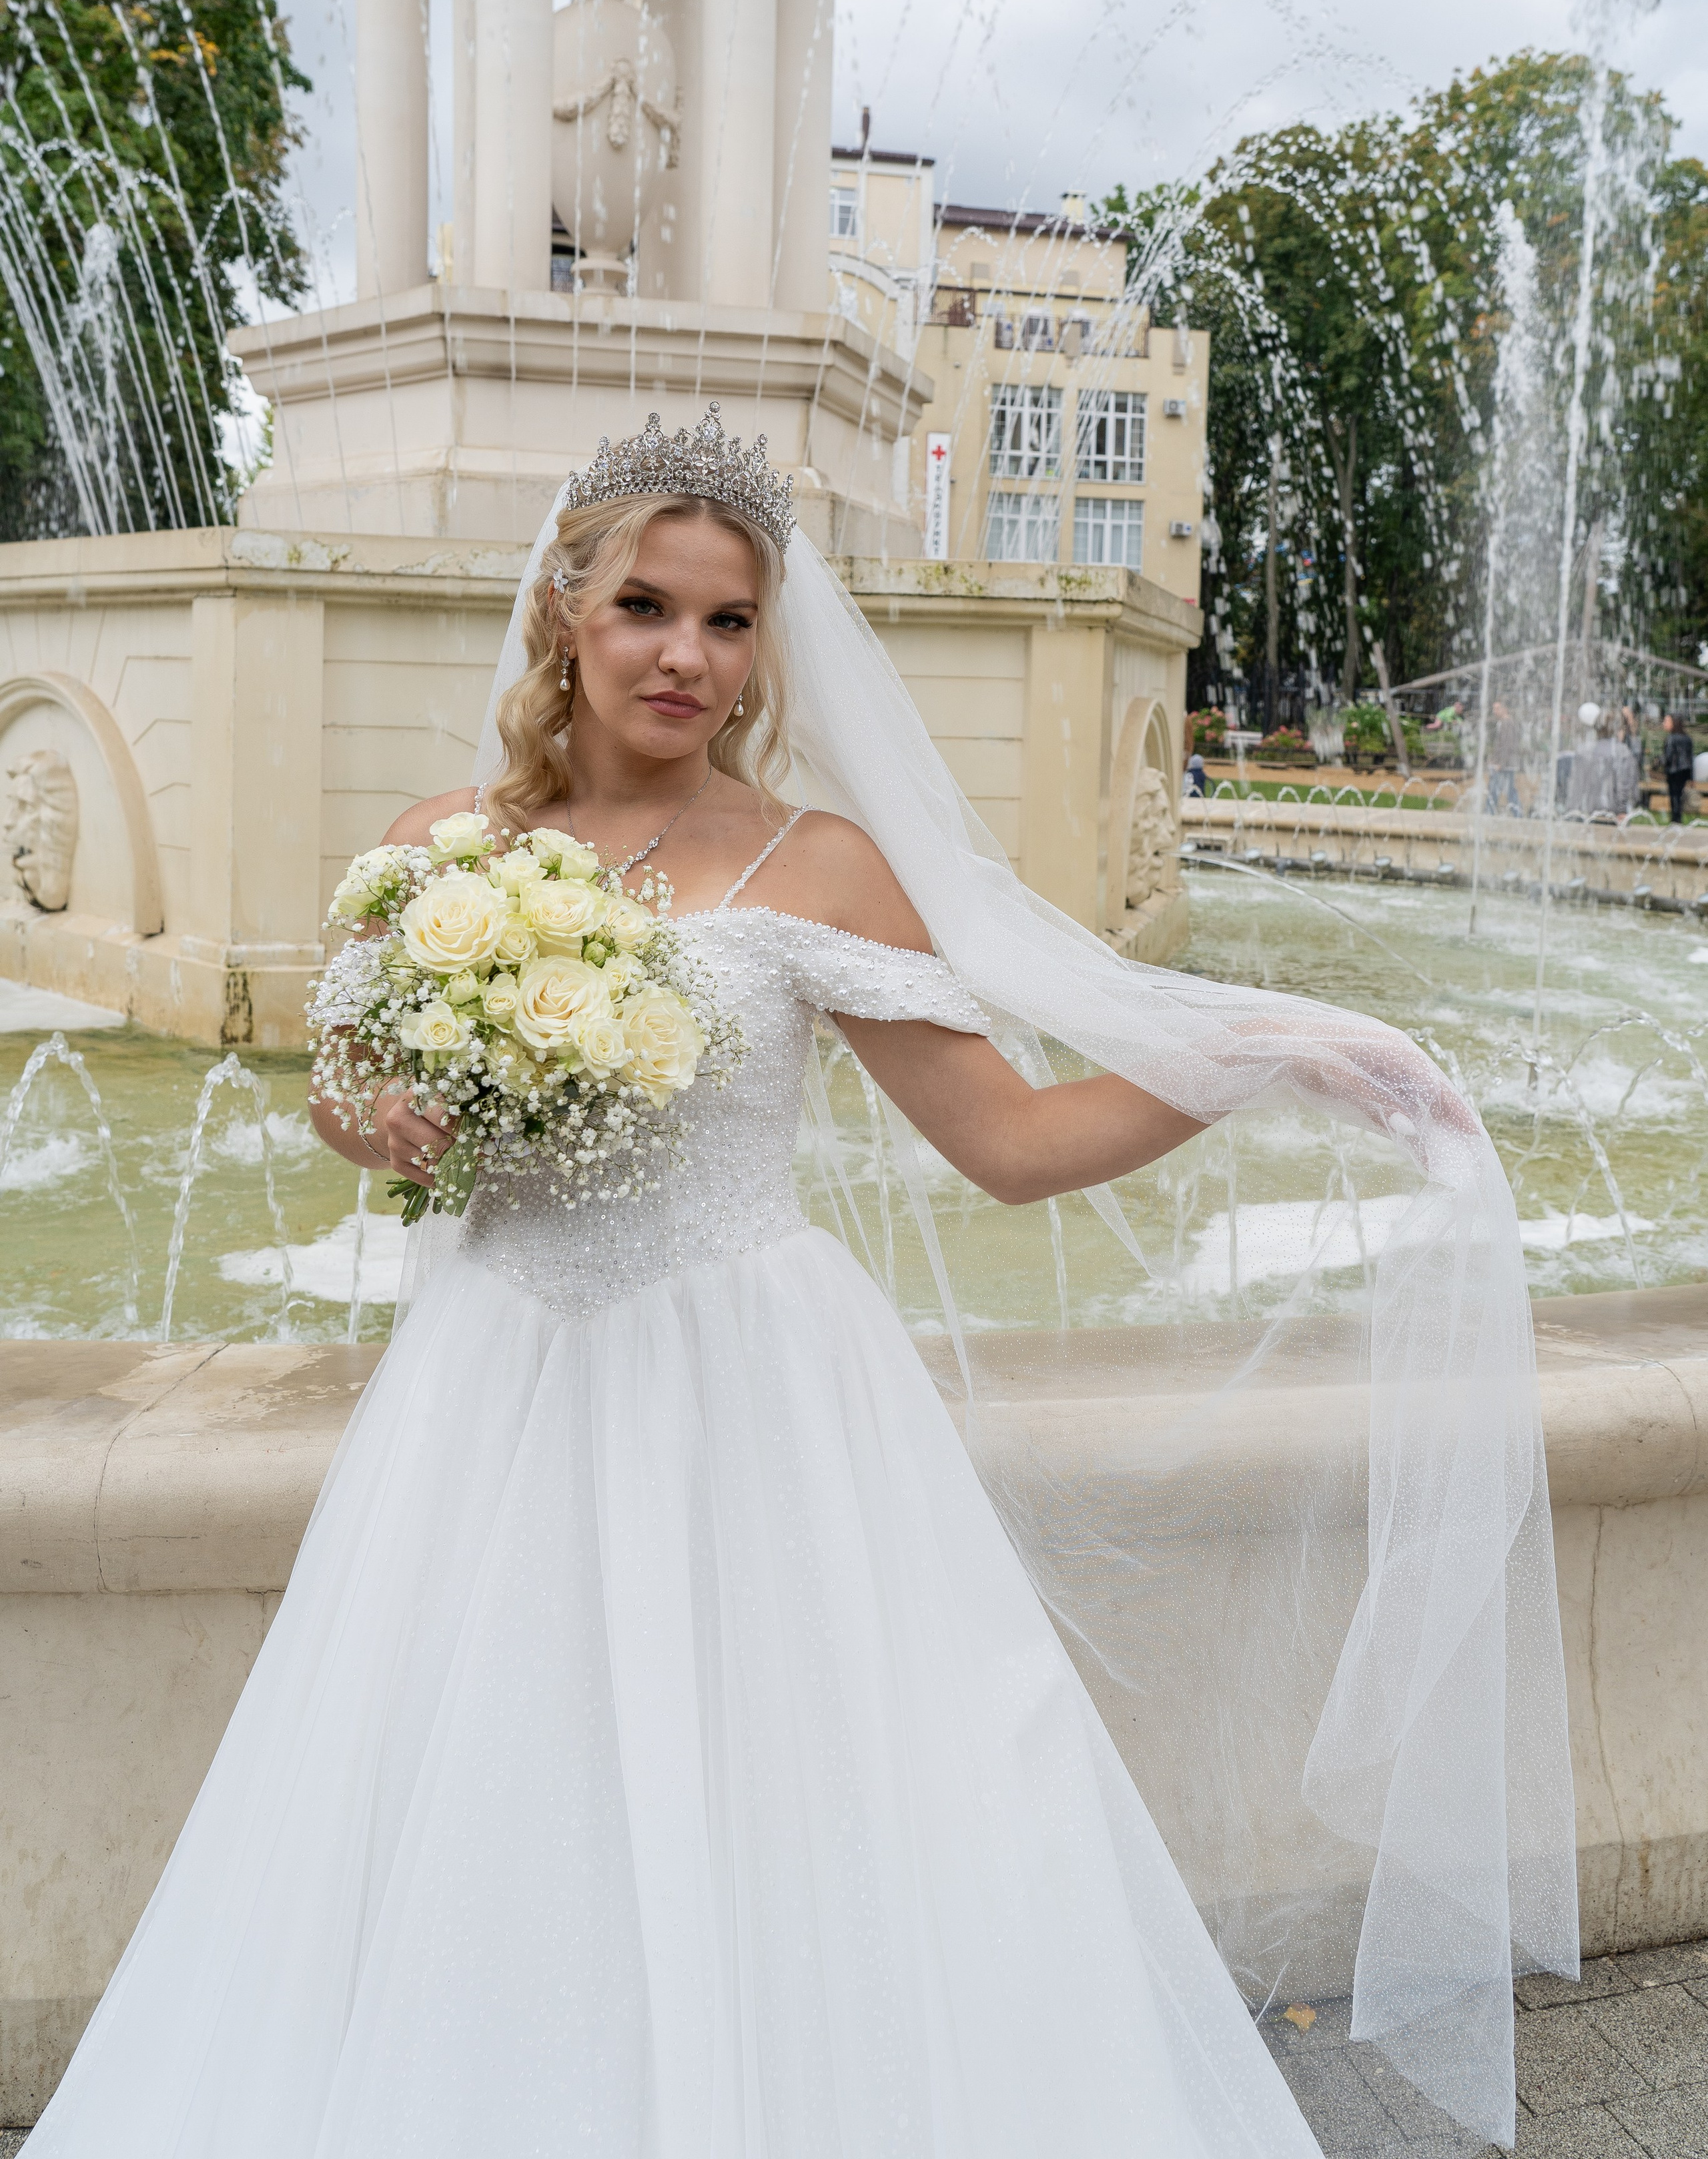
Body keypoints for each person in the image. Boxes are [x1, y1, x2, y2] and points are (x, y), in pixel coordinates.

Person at [27, 410, 1575, 2158]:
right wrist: (380, 1120)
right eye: (644, 607)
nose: (684, 656)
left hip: (747, 1394)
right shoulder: (439, 850)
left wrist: (1257, 1055)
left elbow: (1011, 1142)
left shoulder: (817, 867)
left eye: (727, 620)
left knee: (803, 1799)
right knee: (481, 1797)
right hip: (496, 1382)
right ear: (562, 611)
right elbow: (345, 1094)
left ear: (765, 647)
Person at [1568, 707, 1639, 819]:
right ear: (1617, 730)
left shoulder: (1584, 750)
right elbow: (1624, 783)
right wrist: (1623, 809)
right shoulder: (1622, 752)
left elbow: (1576, 783)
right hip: (1615, 812)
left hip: (1588, 810)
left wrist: (1573, 809)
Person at [1486, 698, 1521, 814]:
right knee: (1508, 791)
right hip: (1505, 764)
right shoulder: (1504, 722)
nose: (1494, 711)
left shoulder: (1507, 723)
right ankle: (1517, 814)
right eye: (1494, 709)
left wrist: (1501, 763)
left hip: (1505, 765)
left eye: (1497, 709)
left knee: (1495, 790)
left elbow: (1507, 745)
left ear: (1505, 709)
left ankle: (1489, 813)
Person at [1663, 711, 1693, 824]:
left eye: (1666, 721)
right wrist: (1692, 777)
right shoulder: (1687, 738)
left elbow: (1668, 756)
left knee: (1674, 795)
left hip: (1673, 770)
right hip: (1685, 771)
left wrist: (1658, 763)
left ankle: (1675, 819)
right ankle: (1678, 818)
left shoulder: (1671, 738)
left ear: (1674, 723)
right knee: (1679, 795)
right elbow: (1691, 758)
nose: (1664, 723)